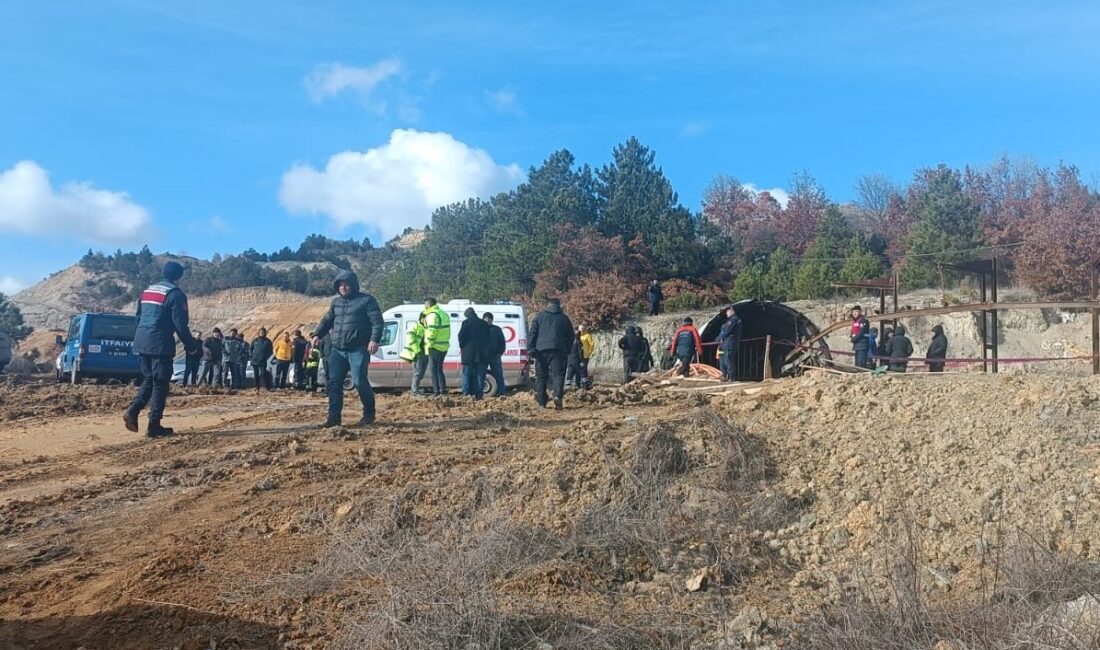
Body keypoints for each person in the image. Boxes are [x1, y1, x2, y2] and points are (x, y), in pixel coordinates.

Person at [123, 261, 200, 439]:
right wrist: (191, 347)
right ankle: (152, 423)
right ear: (179, 276)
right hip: (160, 343)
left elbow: (137, 318)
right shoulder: (175, 294)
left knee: (149, 379)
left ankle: (134, 413)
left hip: (142, 341)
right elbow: (180, 325)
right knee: (160, 383)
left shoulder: (147, 291)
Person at [312, 270, 384, 428]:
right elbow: (327, 320)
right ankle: (333, 419)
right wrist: (317, 334)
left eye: (346, 284)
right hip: (337, 350)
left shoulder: (366, 300)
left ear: (353, 285)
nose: (343, 287)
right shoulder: (335, 303)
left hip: (358, 349)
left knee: (359, 381)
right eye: (340, 285)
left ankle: (369, 414)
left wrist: (374, 340)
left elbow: (377, 322)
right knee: (334, 384)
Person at [527, 297, 574, 409]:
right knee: (558, 375)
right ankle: (557, 396)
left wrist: (530, 349)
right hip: (559, 350)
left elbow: (532, 334)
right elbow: (571, 336)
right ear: (559, 306)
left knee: (541, 377)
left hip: (541, 351)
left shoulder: (539, 317)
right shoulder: (564, 319)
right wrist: (567, 349)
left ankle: (542, 402)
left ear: (547, 305)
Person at [458, 307, 490, 400]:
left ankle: (467, 394)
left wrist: (463, 347)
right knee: (480, 375)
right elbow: (488, 338)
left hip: (468, 354)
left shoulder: (466, 323)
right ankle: (479, 394)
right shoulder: (483, 324)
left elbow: (461, 337)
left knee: (467, 374)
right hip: (482, 353)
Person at [422, 298, 451, 396]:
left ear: (429, 304)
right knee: (439, 369)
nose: (424, 306)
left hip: (434, 346)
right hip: (444, 346)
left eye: (425, 304)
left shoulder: (432, 315)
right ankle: (442, 390)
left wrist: (428, 346)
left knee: (433, 370)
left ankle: (436, 391)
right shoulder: (443, 314)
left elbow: (432, 332)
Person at [400, 313, 428, 396]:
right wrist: (417, 350)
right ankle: (414, 390)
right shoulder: (415, 326)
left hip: (425, 353)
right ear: (421, 319)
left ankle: (416, 388)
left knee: (422, 373)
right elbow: (410, 338)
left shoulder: (427, 328)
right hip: (417, 353)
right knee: (417, 372)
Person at [483, 312, 507, 397]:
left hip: (495, 356)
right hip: (483, 357)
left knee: (498, 374)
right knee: (481, 374)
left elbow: (502, 342)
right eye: (485, 318)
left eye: (489, 318)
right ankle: (479, 392)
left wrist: (499, 353)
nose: (487, 320)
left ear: (492, 320)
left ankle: (502, 392)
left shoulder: (496, 329)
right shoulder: (480, 329)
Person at [716, 307, 743, 382]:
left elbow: (727, 331)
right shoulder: (727, 321)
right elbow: (723, 331)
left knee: (729, 361)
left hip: (729, 344)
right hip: (723, 345)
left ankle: (731, 377)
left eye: (727, 311)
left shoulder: (734, 320)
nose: (726, 313)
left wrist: (721, 338)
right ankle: (723, 376)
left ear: (732, 311)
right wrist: (718, 339)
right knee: (722, 362)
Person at [849, 305, 871, 370]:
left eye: (856, 311)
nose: (855, 313)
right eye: (853, 312)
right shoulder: (855, 321)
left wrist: (852, 339)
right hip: (856, 344)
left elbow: (861, 333)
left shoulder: (863, 321)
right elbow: (853, 331)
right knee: (857, 362)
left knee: (861, 363)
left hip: (862, 344)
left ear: (860, 312)